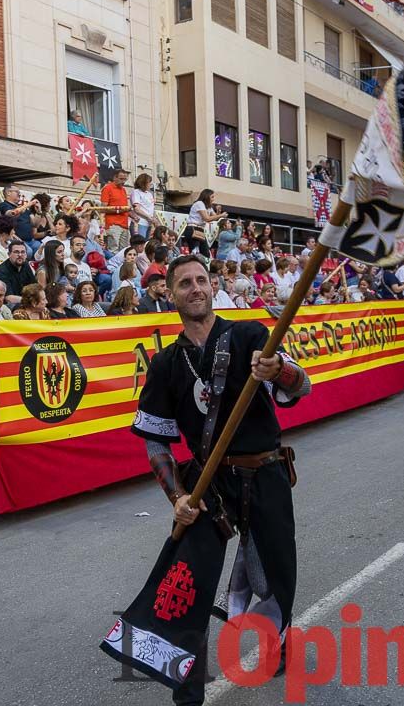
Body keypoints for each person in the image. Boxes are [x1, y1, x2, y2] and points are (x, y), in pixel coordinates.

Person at [115, 254, 310, 703]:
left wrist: (277, 369)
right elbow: (156, 442)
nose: (196, 288)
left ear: (213, 285)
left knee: (273, 576)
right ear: (171, 294)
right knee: (187, 582)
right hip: (208, 485)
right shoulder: (165, 364)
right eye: (185, 283)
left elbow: (302, 388)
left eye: (202, 280)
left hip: (265, 472)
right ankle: (187, 692)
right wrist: (178, 496)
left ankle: (277, 638)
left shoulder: (249, 336)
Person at [0, 240, 38, 308]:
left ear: (26, 254)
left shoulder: (25, 264)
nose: (20, 255)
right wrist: (31, 301)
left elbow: (34, 286)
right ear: (9, 254)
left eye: (23, 252)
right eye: (16, 252)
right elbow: (8, 298)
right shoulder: (1, 271)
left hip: (25, 301)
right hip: (8, 306)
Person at [100, 169, 132, 252]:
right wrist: (119, 211)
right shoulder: (107, 188)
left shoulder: (123, 190)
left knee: (124, 251)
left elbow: (123, 207)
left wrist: (131, 214)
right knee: (113, 250)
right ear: (115, 177)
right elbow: (103, 208)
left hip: (124, 225)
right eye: (121, 179)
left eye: (125, 179)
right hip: (113, 224)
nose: (123, 181)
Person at [130, 173, 160, 238]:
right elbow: (137, 209)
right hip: (140, 223)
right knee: (140, 243)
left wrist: (154, 218)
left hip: (148, 224)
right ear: (143, 183)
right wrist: (148, 217)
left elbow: (151, 209)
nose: (150, 185)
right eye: (149, 183)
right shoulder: (136, 192)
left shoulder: (149, 194)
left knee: (146, 245)